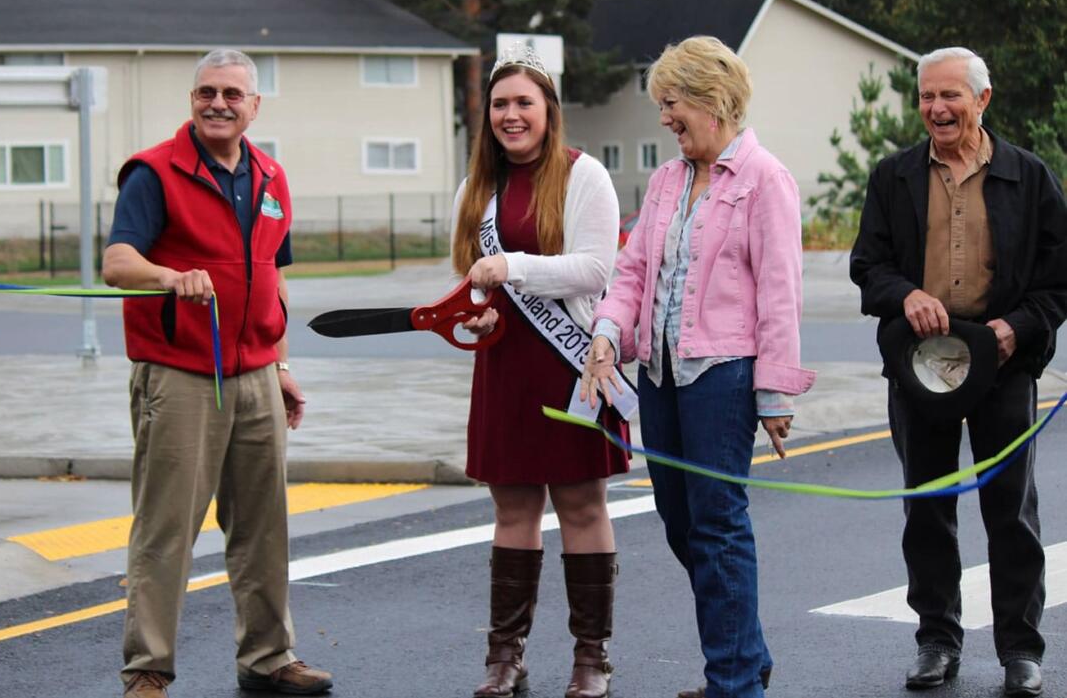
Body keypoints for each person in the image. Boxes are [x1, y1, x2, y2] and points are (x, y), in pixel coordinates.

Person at [583, 35, 815, 698]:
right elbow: (632, 273)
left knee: (717, 524)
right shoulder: (666, 180)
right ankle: (746, 653)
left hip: (723, 377)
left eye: (672, 103)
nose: (664, 118)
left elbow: (780, 294)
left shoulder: (765, 179)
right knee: (681, 523)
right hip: (658, 375)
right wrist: (606, 333)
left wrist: (774, 394)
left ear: (713, 100)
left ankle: (735, 681)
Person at [102, 49, 333, 698]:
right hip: (179, 373)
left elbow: (273, 274)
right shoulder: (154, 173)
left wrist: (281, 362)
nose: (218, 103)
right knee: (166, 525)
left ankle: (268, 654)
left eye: (232, 92)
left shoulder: (271, 176)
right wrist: (169, 276)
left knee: (264, 524)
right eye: (206, 91)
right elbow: (118, 261)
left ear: (254, 105)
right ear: (192, 99)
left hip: (257, 371)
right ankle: (147, 667)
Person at [850, 47, 1067, 697]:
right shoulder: (894, 176)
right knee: (927, 507)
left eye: (950, 96)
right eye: (926, 97)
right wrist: (904, 296)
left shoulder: (1030, 178)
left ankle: (1020, 651)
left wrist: (1017, 327)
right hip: (921, 366)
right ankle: (937, 640)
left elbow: (1059, 280)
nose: (937, 109)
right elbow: (869, 265)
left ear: (983, 99)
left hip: (1002, 363)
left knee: (1011, 512)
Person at [451, 43, 629, 698]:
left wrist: (514, 266)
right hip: (504, 366)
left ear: (549, 110)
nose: (510, 114)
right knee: (512, 507)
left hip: (572, 363)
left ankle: (591, 657)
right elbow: (470, 280)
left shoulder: (584, 176)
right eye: (499, 103)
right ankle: (505, 656)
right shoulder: (477, 186)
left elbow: (595, 269)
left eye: (523, 102)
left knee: (582, 504)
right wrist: (476, 316)